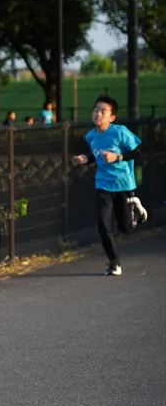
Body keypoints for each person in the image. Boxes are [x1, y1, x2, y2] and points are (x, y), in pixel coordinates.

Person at [72, 94, 147, 276]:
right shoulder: (91, 136)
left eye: (103, 111)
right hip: (103, 184)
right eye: (96, 110)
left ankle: (135, 208)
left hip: (123, 183)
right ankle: (114, 262)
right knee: (102, 224)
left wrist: (118, 157)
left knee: (125, 227)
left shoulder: (120, 132)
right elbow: (96, 155)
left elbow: (139, 153)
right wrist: (85, 159)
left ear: (112, 117)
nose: (98, 114)